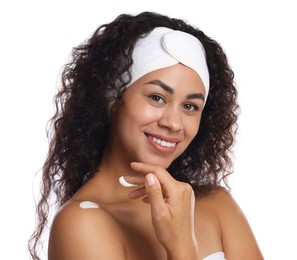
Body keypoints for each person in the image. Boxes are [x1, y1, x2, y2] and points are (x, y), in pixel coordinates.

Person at [28, 11, 263, 260]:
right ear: (113, 98)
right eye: (157, 98)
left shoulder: (218, 206)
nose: (173, 123)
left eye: (190, 106)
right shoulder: (81, 224)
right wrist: (181, 246)